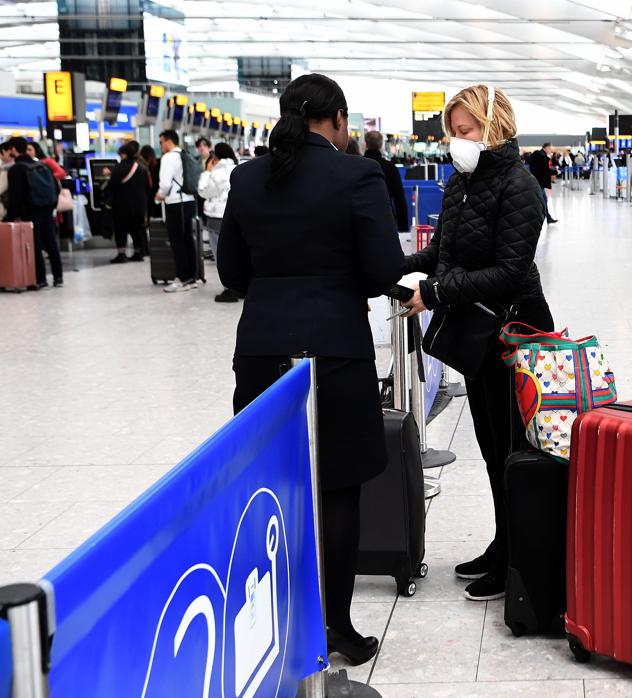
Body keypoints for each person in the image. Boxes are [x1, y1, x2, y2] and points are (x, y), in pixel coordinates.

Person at [217, 73, 404, 665]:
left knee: (273, 484)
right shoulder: (357, 175)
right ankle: (336, 629)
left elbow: (230, 272)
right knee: (339, 486)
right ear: (340, 121)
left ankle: (276, 620)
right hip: (336, 351)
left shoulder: (248, 177)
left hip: (262, 349)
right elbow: (382, 271)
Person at [398, 84, 553, 602]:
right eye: (451, 132)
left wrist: (436, 292)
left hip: (514, 333)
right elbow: (443, 252)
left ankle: (519, 556)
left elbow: (509, 273)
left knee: (511, 447)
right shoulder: (461, 182)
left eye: (464, 131)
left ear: (494, 126)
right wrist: (393, 268)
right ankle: (502, 542)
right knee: (490, 446)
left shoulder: (520, 185)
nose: (454, 142)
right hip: (478, 334)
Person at [2, 137, 63, 289]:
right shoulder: (41, 164)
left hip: (31, 210)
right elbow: (56, 187)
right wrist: (53, 205)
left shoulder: (17, 169)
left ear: (14, 150)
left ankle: (40, 279)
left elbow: (16, 196)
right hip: (47, 207)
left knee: (35, 244)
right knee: (50, 242)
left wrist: (10, 216)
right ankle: (58, 276)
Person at [155, 129, 200, 292]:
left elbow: (165, 184)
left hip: (176, 203)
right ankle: (191, 277)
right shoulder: (185, 154)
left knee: (177, 241)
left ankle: (182, 278)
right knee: (188, 239)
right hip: (189, 201)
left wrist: (159, 196)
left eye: (161, 142)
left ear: (168, 141)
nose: (160, 146)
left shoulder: (168, 158)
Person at [197, 142, 241, 303]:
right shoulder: (235, 168)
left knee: (221, 255)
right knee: (235, 253)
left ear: (215, 157)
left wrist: (207, 172)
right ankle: (239, 286)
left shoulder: (217, 173)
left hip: (217, 217)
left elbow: (203, 191)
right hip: (234, 215)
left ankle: (229, 288)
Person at [101, 140, 150, 263]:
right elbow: (147, 187)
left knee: (121, 229)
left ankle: (121, 254)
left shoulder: (119, 168)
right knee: (137, 229)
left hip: (122, 205)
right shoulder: (141, 168)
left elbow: (112, 185)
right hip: (139, 205)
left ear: (124, 154)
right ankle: (138, 253)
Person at [363, 131, 410, 233]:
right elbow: (399, 200)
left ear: (366, 144)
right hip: (385, 221)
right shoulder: (390, 167)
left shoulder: (357, 166)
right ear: (381, 145)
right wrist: (403, 229)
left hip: (360, 222)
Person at [528, 142, 556, 224]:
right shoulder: (542, 156)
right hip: (539, 183)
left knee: (544, 200)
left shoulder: (538, 155)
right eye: (550, 148)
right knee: (540, 201)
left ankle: (548, 218)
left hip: (538, 182)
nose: (550, 150)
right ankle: (536, 219)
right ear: (546, 147)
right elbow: (545, 170)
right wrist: (555, 172)